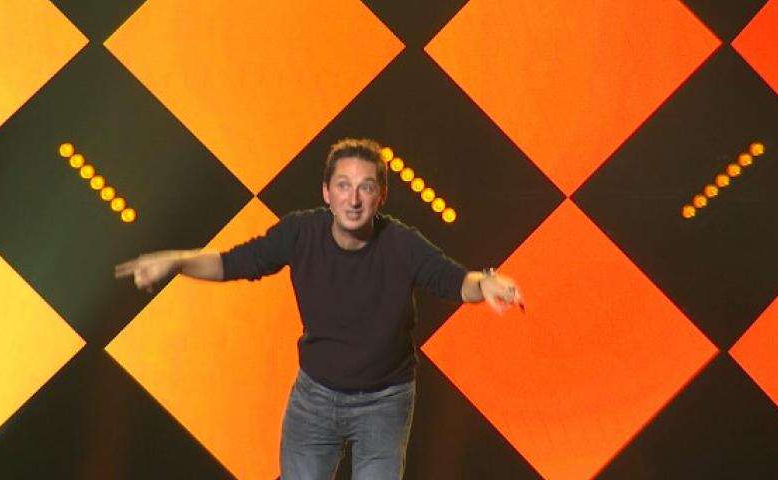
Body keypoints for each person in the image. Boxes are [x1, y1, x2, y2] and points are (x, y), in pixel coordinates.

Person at [115, 138, 523, 479]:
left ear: (381, 195)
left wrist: (485, 281)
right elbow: (232, 263)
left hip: (385, 402)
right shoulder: (301, 233)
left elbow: (454, 280)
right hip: (315, 399)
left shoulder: (402, 244)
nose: (354, 199)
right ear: (326, 193)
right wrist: (176, 261)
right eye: (343, 186)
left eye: (366, 187)